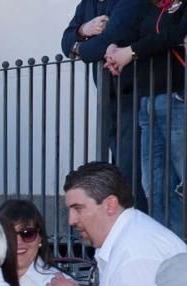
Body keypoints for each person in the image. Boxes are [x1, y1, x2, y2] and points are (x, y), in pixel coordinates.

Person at [45, 162, 186, 286]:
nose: (71, 220)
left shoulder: (136, 249)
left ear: (110, 204)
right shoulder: (130, 236)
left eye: (78, 208)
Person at [103, 0, 187, 236]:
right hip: (148, 101)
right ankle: (171, 254)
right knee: (156, 186)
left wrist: (130, 52)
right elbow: (130, 32)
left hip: (178, 98)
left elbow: (172, 35)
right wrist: (113, 48)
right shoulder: (150, 7)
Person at [62, 0, 150, 213]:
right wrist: (84, 29)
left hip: (135, 95)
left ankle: (138, 225)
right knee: (119, 168)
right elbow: (65, 41)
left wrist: (80, 46)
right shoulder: (87, 4)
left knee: (131, 171)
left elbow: (108, 42)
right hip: (109, 100)